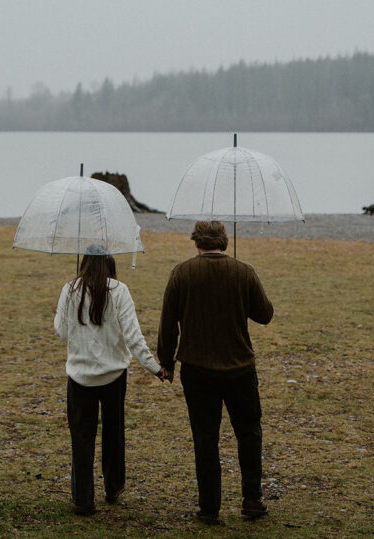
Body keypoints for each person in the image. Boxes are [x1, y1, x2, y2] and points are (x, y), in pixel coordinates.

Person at [157, 221, 274, 525]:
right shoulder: (243, 271)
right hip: (240, 368)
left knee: (205, 438)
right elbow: (265, 314)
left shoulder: (181, 273)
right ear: (223, 241)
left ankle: (209, 507)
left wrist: (166, 362)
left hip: (196, 370)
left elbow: (168, 323)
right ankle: (251, 499)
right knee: (248, 432)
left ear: (196, 241)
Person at [54, 243, 168, 516]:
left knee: (81, 437)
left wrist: (68, 306)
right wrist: (155, 368)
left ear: (84, 263)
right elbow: (133, 336)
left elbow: (61, 332)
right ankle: (113, 485)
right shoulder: (120, 291)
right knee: (113, 432)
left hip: (80, 377)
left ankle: (83, 499)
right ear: (110, 264)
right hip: (114, 375)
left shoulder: (69, 290)